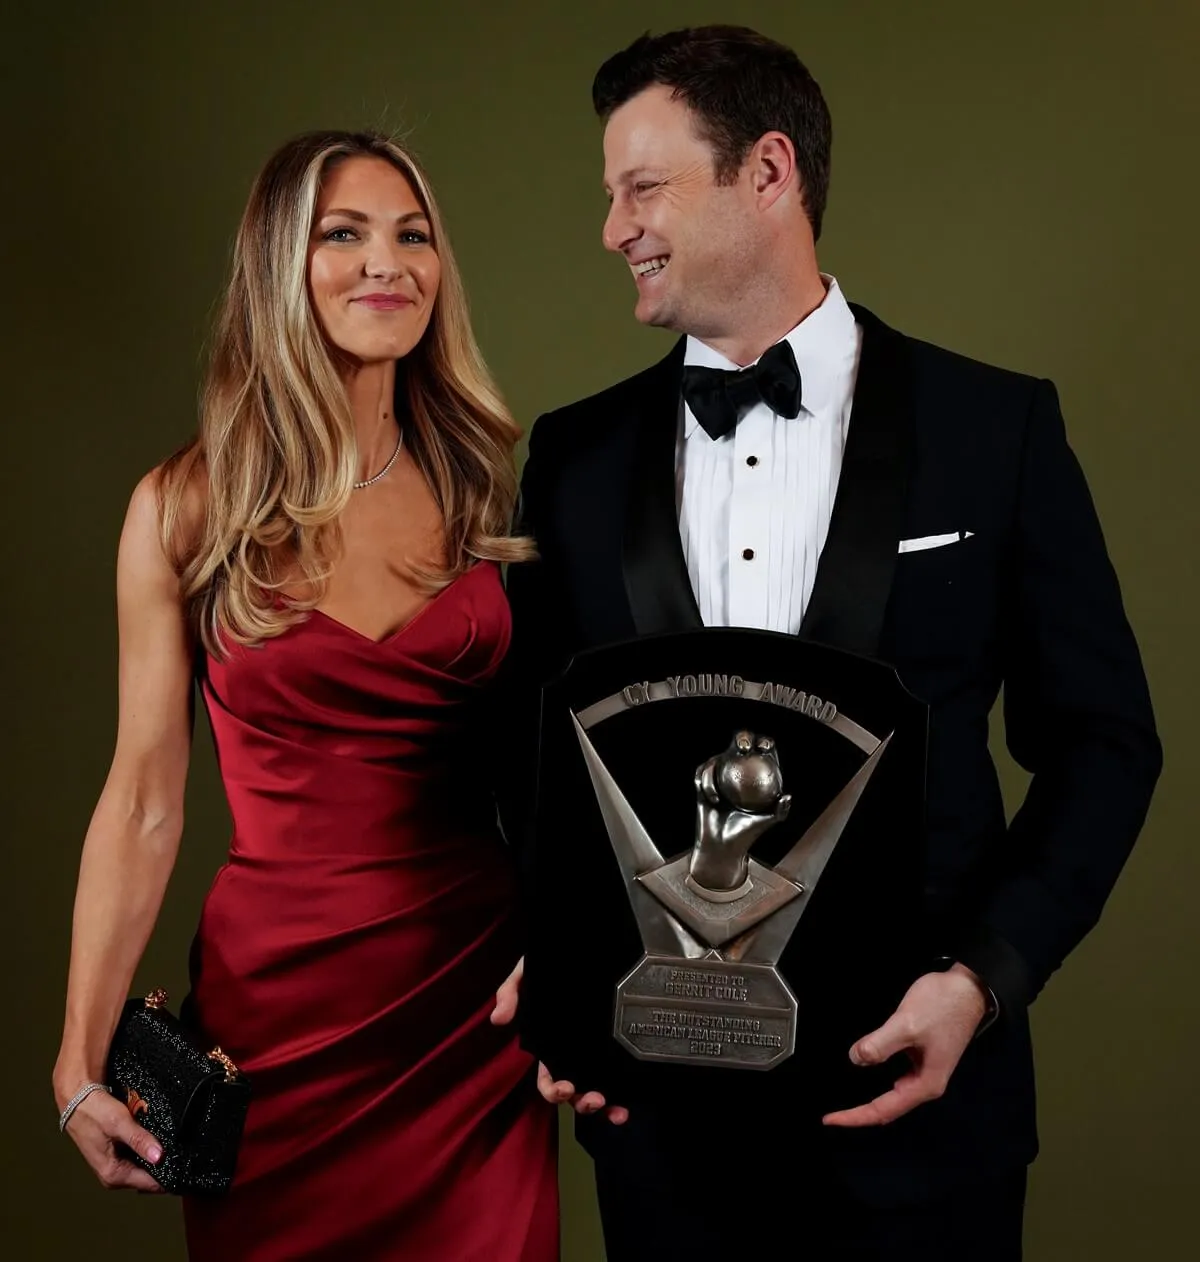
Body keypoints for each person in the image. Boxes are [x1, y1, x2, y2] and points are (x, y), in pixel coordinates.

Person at [498, 25, 1161, 1262]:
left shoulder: (996, 428)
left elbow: (1106, 744)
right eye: (608, 195)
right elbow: (533, 758)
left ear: (768, 172)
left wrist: (983, 979)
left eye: (643, 188)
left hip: (922, 1124)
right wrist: (566, 976)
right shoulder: (573, 458)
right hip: (658, 1134)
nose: (613, 228)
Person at [52, 130, 558, 1261]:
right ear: (281, 263)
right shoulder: (184, 507)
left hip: (472, 1016)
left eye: (412, 235)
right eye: (345, 233)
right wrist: (77, 1052)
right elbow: (143, 797)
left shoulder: (487, 487)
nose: (389, 263)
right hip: (274, 1024)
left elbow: (558, 766)